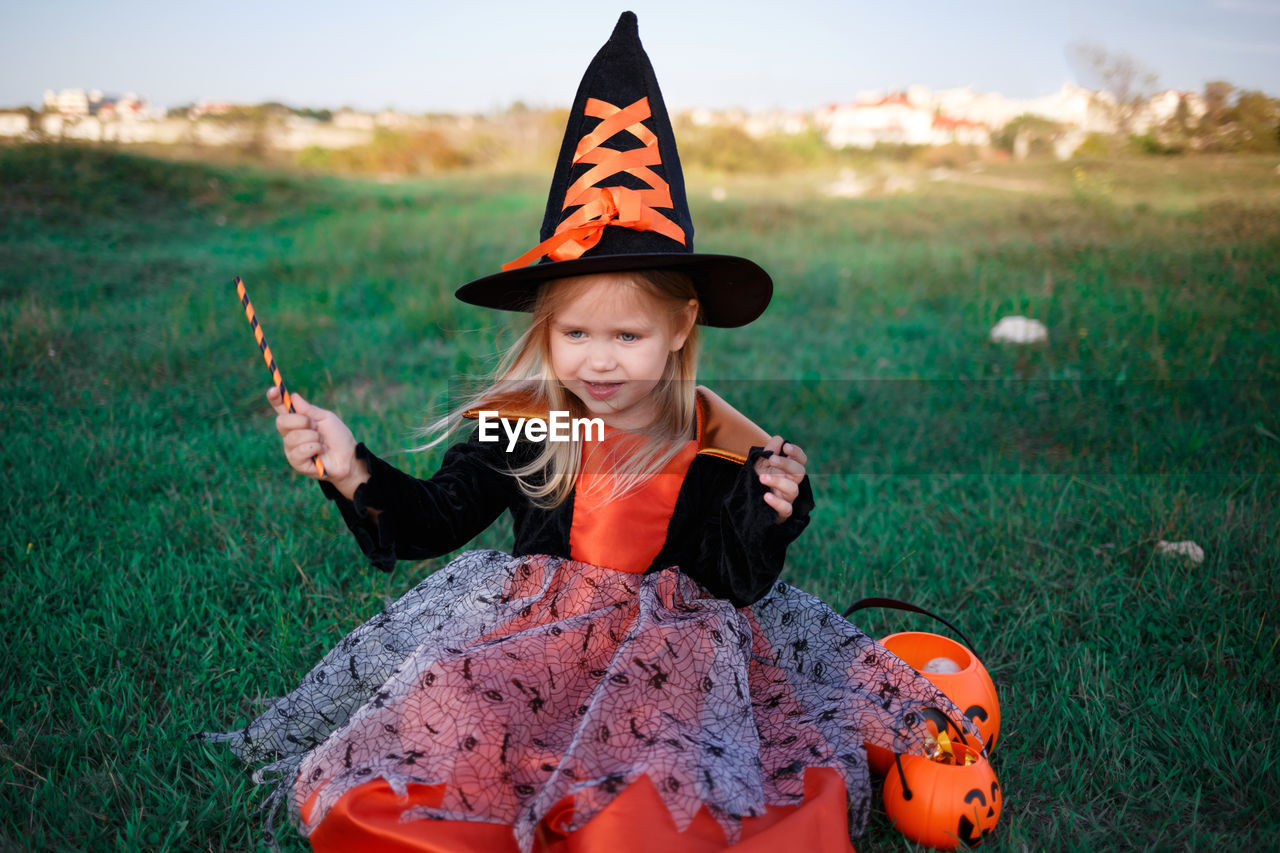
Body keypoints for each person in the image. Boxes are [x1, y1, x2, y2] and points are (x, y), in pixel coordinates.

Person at [204, 13, 977, 853]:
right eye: (575, 335)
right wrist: (350, 465)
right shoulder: (527, 426)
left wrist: (768, 512)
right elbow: (431, 519)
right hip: (530, 645)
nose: (599, 362)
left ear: (682, 327)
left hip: (675, 655)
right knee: (449, 732)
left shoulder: (723, 446)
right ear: (545, 332)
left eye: (627, 337)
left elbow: (734, 578)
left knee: (672, 788)